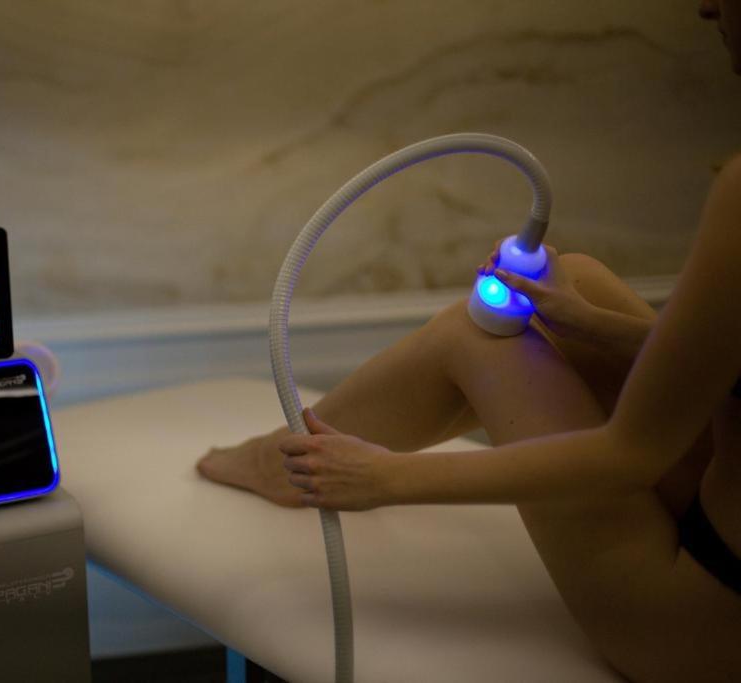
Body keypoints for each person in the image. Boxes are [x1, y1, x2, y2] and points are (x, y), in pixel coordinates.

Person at [197, 1, 741, 680]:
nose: (706, 7)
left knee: (476, 335)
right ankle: (290, 452)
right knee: (577, 280)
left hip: (703, 621)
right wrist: (586, 320)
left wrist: (384, 478)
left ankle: (284, 461)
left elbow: (629, 456)